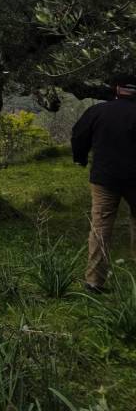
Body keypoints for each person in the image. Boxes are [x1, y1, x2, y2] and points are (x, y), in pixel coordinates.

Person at [72, 74, 136, 293]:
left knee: (101, 224)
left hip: (104, 177)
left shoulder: (98, 111)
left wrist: (80, 158)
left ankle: (94, 281)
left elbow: (78, 135)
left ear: (116, 89)